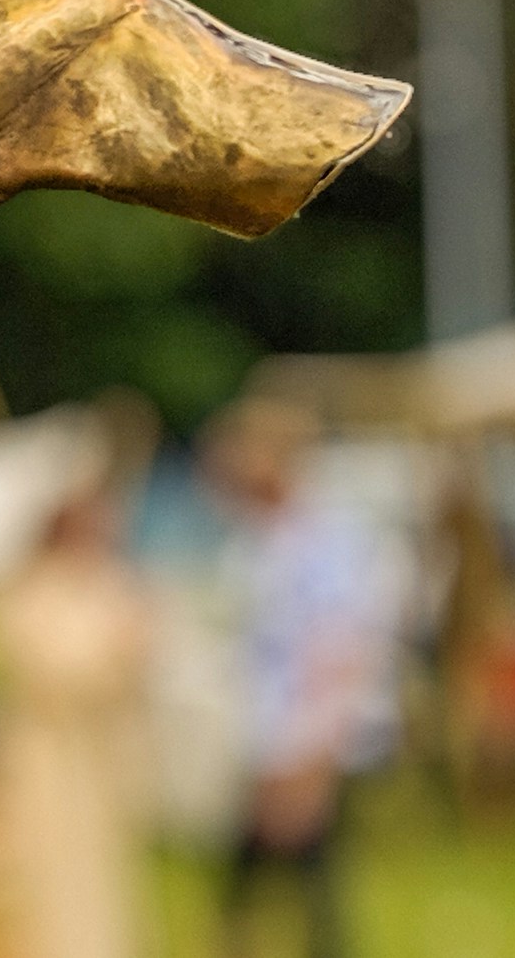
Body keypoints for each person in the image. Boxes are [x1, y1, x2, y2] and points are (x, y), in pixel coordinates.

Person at [201, 397, 398, 958]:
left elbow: (338, 648)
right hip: (271, 727)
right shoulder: (262, 536)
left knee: (305, 866)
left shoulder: (324, 539)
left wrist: (313, 749)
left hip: (306, 730)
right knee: (273, 861)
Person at [0, 480, 153, 958]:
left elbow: (136, 653)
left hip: (99, 757)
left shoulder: (111, 584)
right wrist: (107, 661)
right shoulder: (32, 589)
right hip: (46, 756)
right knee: (49, 877)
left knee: (102, 879)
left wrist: (130, 648)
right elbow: (42, 667)